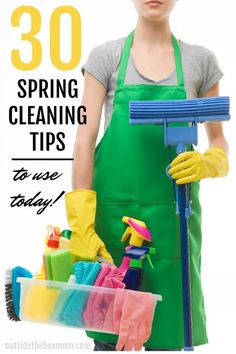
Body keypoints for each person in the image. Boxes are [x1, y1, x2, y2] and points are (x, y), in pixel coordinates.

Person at [65, 0, 229, 351]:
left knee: (170, 333)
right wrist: (81, 224)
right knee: (111, 335)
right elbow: (83, 139)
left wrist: (211, 161)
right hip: (113, 223)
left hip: (174, 222)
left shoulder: (201, 61)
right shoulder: (104, 58)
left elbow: (219, 141)